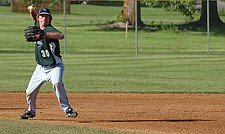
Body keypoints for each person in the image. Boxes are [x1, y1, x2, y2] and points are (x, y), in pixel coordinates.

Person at [20, 5, 78, 119]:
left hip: (55, 67)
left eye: (46, 17)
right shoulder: (38, 26)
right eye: (42, 16)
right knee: (29, 91)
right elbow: (34, 18)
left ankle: (68, 110)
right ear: (39, 18)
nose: (44, 19)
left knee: (57, 83)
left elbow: (61, 35)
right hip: (40, 68)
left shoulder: (50, 29)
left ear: (49, 19)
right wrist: (32, 11)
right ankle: (31, 111)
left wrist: (44, 34)